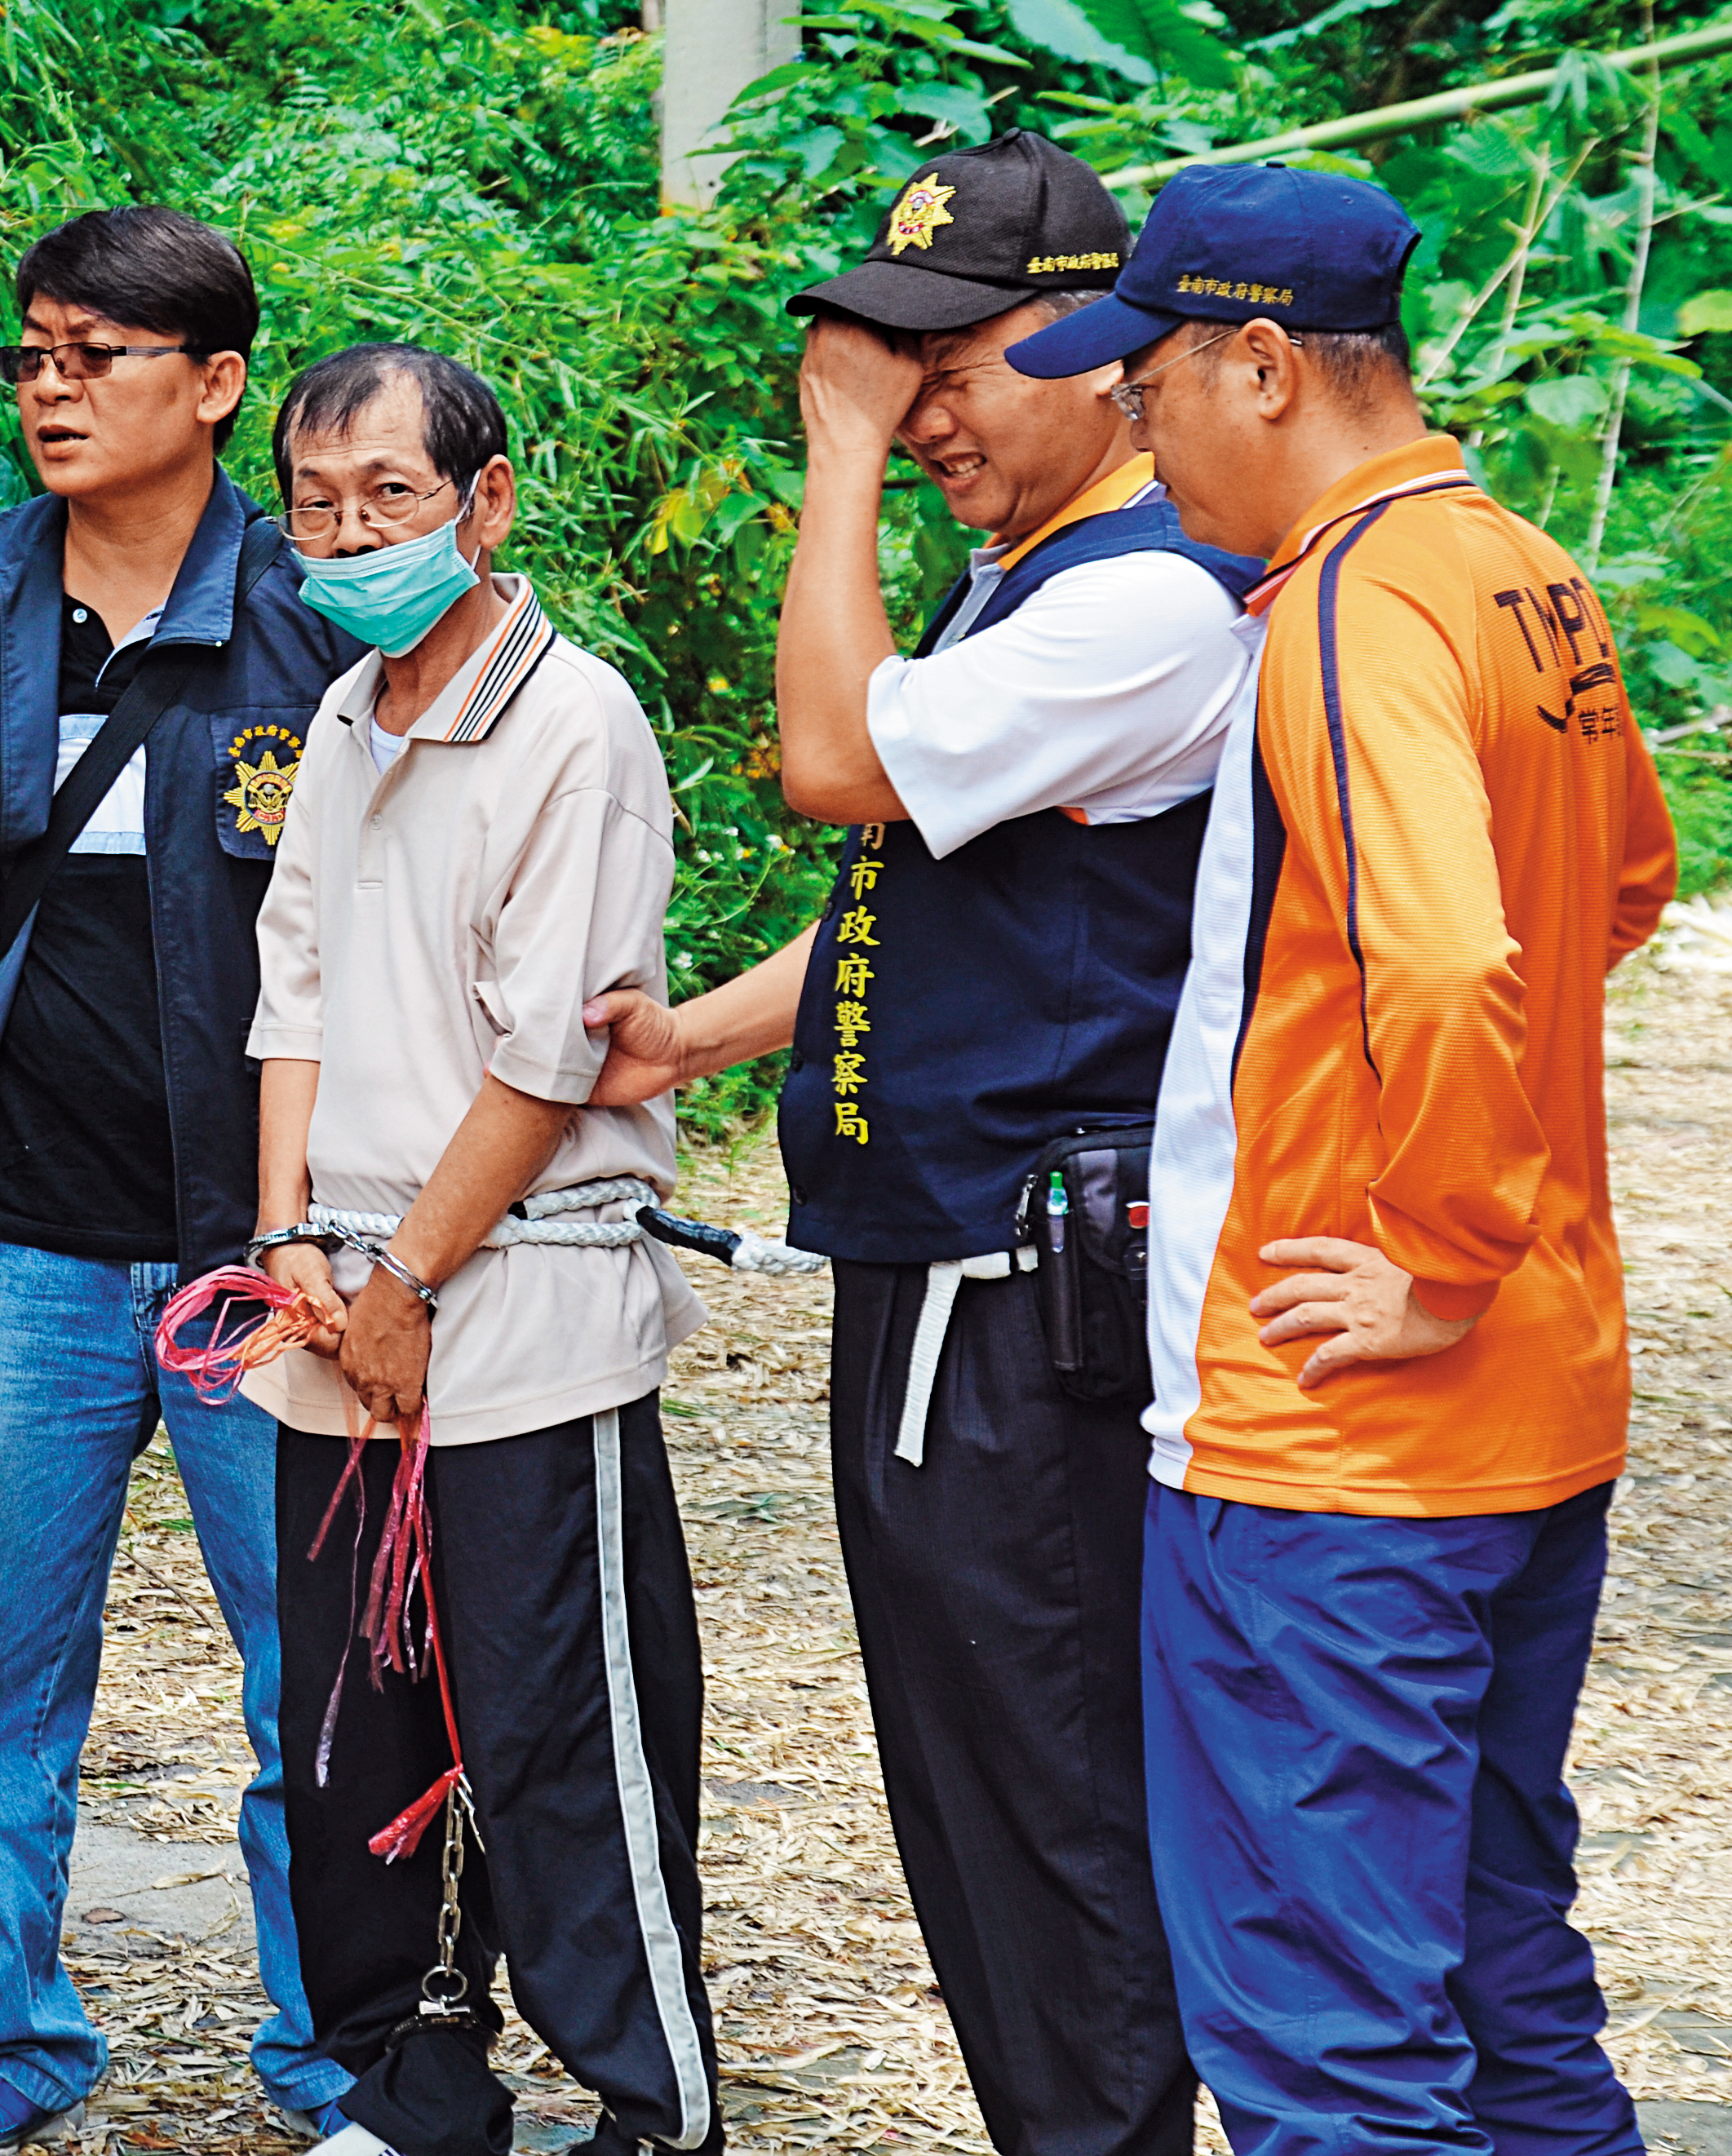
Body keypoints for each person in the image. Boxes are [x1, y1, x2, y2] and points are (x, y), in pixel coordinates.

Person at [579, 134, 1256, 2156]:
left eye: (947, 363)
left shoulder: (1140, 603)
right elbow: (918, 880)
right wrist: (686, 1040)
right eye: (892, 368)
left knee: (1046, 1786)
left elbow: (832, 765)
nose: (924, 408)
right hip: (947, 1264)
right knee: (982, 1780)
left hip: (1026, 1290)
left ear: (1097, 349)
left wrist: (841, 457)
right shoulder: (1029, 587)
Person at [1001, 164, 1675, 2156]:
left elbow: (1453, 949)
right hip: (1531, 1410)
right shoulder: (1522, 567)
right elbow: (1618, 888)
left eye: (1148, 389)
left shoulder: (1344, 606)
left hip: (1337, 1442)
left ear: (1265, 365)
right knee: (1496, 1975)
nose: (1133, 433)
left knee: (1327, 2044)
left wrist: (1432, 1243)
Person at [0, 208, 361, 2154]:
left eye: (98, 355)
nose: (53, 389)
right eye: (32, 356)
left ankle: (341, 2053)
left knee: (314, 1676)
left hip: (264, 1253)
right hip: (20, 1243)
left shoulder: (328, 614)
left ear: (214, 385)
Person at [247, 344, 722, 2156]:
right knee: (352, 1737)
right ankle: (412, 2087)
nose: (352, 531)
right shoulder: (349, 713)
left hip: (513, 1317)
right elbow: (287, 992)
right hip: (334, 1314)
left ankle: (651, 2107)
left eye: (392, 494)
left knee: (558, 1742)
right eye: (316, 501)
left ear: (486, 500)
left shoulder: (574, 724)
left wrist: (407, 1283)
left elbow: (554, 1051)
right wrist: (290, 1236)